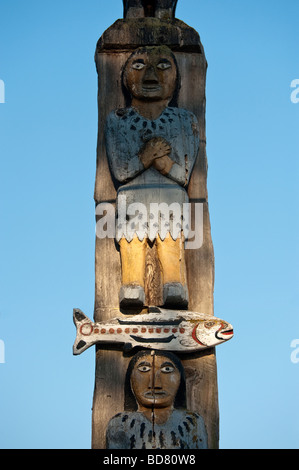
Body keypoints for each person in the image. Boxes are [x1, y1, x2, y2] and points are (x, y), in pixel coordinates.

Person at [105, 46, 199, 309]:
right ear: (124, 75)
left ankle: (174, 283)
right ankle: (131, 284)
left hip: (170, 197)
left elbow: (184, 174)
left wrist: (162, 162)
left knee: (170, 238)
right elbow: (121, 171)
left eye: (163, 66)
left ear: (178, 76)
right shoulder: (118, 120)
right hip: (131, 198)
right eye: (138, 66)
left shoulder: (184, 120)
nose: (150, 76)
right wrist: (146, 156)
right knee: (131, 239)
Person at [106, 350, 208, 449]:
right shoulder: (121, 423)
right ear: (130, 378)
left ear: (180, 378)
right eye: (144, 369)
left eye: (167, 370)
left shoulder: (192, 423)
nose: (155, 384)